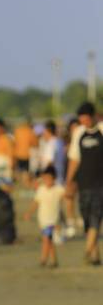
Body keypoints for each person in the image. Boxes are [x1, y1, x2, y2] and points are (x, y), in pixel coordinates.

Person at [66, 101, 103, 265]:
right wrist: (69, 181)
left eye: (87, 119)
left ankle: (87, 251)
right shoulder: (78, 133)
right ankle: (95, 254)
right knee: (87, 217)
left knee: (96, 215)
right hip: (83, 183)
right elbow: (74, 159)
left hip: (100, 183)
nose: (84, 122)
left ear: (94, 116)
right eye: (82, 120)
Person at [25, 165, 65, 268]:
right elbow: (36, 203)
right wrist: (29, 212)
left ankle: (43, 259)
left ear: (54, 178)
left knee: (46, 239)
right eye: (45, 179)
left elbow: (67, 197)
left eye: (49, 179)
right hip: (43, 220)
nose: (47, 181)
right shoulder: (41, 190)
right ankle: (54, 260)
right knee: (49, 240)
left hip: (53, 220)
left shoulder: (58, 189)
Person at [13, 119, 39, 186]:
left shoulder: (17, 131)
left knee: (19, 172)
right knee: (26, 172)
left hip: (17, 154)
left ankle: (21, 185)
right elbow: (35, 144)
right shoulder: (30, 132)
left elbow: (14, 143)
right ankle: (26, 185)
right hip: (27, 155)